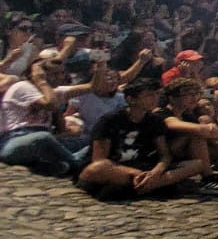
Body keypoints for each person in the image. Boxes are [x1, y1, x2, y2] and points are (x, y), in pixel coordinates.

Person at [76, 77, 208, 200]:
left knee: (196, 164)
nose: (154, 99)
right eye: (149, 95)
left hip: (142, 166)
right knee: (98, 168)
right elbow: (100, 159)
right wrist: (138, 173)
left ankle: (148, 185)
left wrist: (156, 172)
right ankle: (155, 186)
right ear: (131, 99)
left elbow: (165, 155)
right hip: (117, 168)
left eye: (156, 94)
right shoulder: (109, 120)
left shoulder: (154, 120)